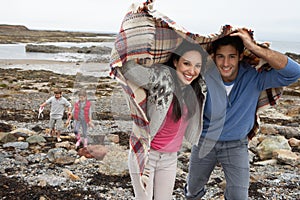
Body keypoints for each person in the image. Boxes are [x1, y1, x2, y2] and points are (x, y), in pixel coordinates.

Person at [184, 28, 300, 200]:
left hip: (236, 145)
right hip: (204, 142)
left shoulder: (254, 78)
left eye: (231, 56)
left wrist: (253, 47)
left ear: (240, 56)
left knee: (239, 196)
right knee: (192, 191)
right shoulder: (203, 76)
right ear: (214, 57)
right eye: (220, 56)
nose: (225, 63)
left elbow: (294, 72)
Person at [119, 39, 208, 200]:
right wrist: (145, 51)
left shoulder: (198, 87)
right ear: (175, 62)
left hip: (170, 158)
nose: (192, 71)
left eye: (197, 66)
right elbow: (127, 69)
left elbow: (226, 67)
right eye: (186, 64)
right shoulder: (162, 78)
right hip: (146, 155)